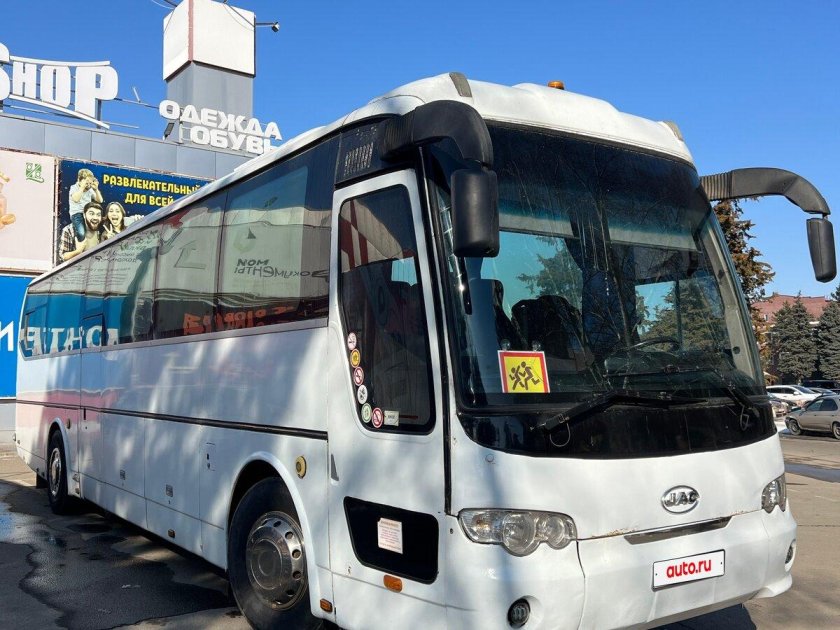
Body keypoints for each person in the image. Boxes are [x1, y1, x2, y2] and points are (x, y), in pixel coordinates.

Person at [68, 168, 103, 241]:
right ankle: (79, 244)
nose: (88, 185)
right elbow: (76, 199)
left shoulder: (90, 190)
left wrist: (96, 189)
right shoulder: (74, 187)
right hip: (77, 214)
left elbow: (100, 200)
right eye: (87, 183)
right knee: (81, 233)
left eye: (90, 183)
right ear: (79, 180)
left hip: (88, 214)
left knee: (94, 231)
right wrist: (82, 188)